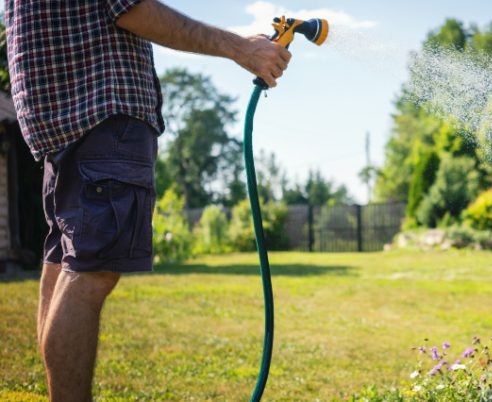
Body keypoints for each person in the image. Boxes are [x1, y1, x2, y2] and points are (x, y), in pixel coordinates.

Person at [5, 1, 291, 400]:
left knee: (65, 267)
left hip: (61, 120)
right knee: (91, 273)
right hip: (103, 112)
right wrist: (239, 47)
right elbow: (128, 7)